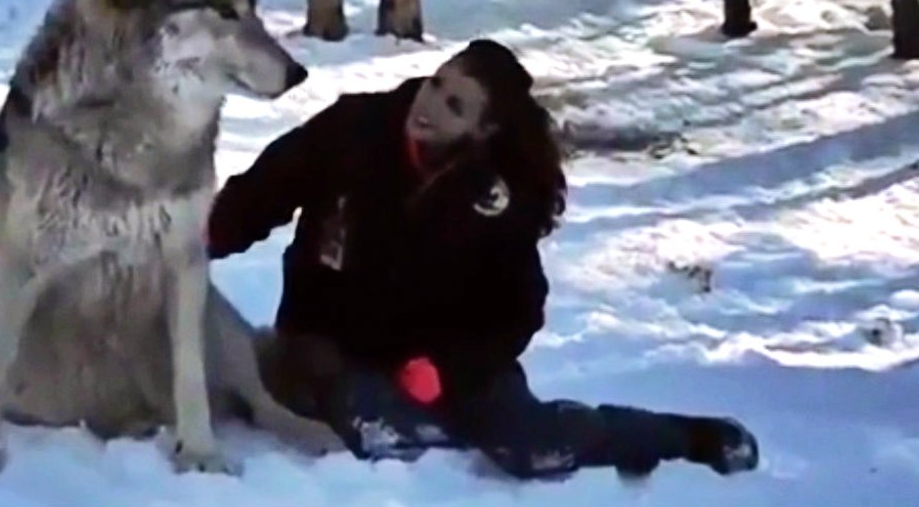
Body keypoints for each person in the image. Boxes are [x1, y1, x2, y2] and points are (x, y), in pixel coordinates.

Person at [205, 39, 759, 480]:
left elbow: (516, 310)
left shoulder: (499, 196)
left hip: (445, 364)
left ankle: (682, 437)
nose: (429, 104)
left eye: (454, 105)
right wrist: (192, 238)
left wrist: (446, 370)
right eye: (436, 83)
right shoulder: (354, 130)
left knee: (531, 446)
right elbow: (261, 194)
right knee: (379, 428)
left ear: (483, 129)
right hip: (331, 347)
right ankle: (430, 434)